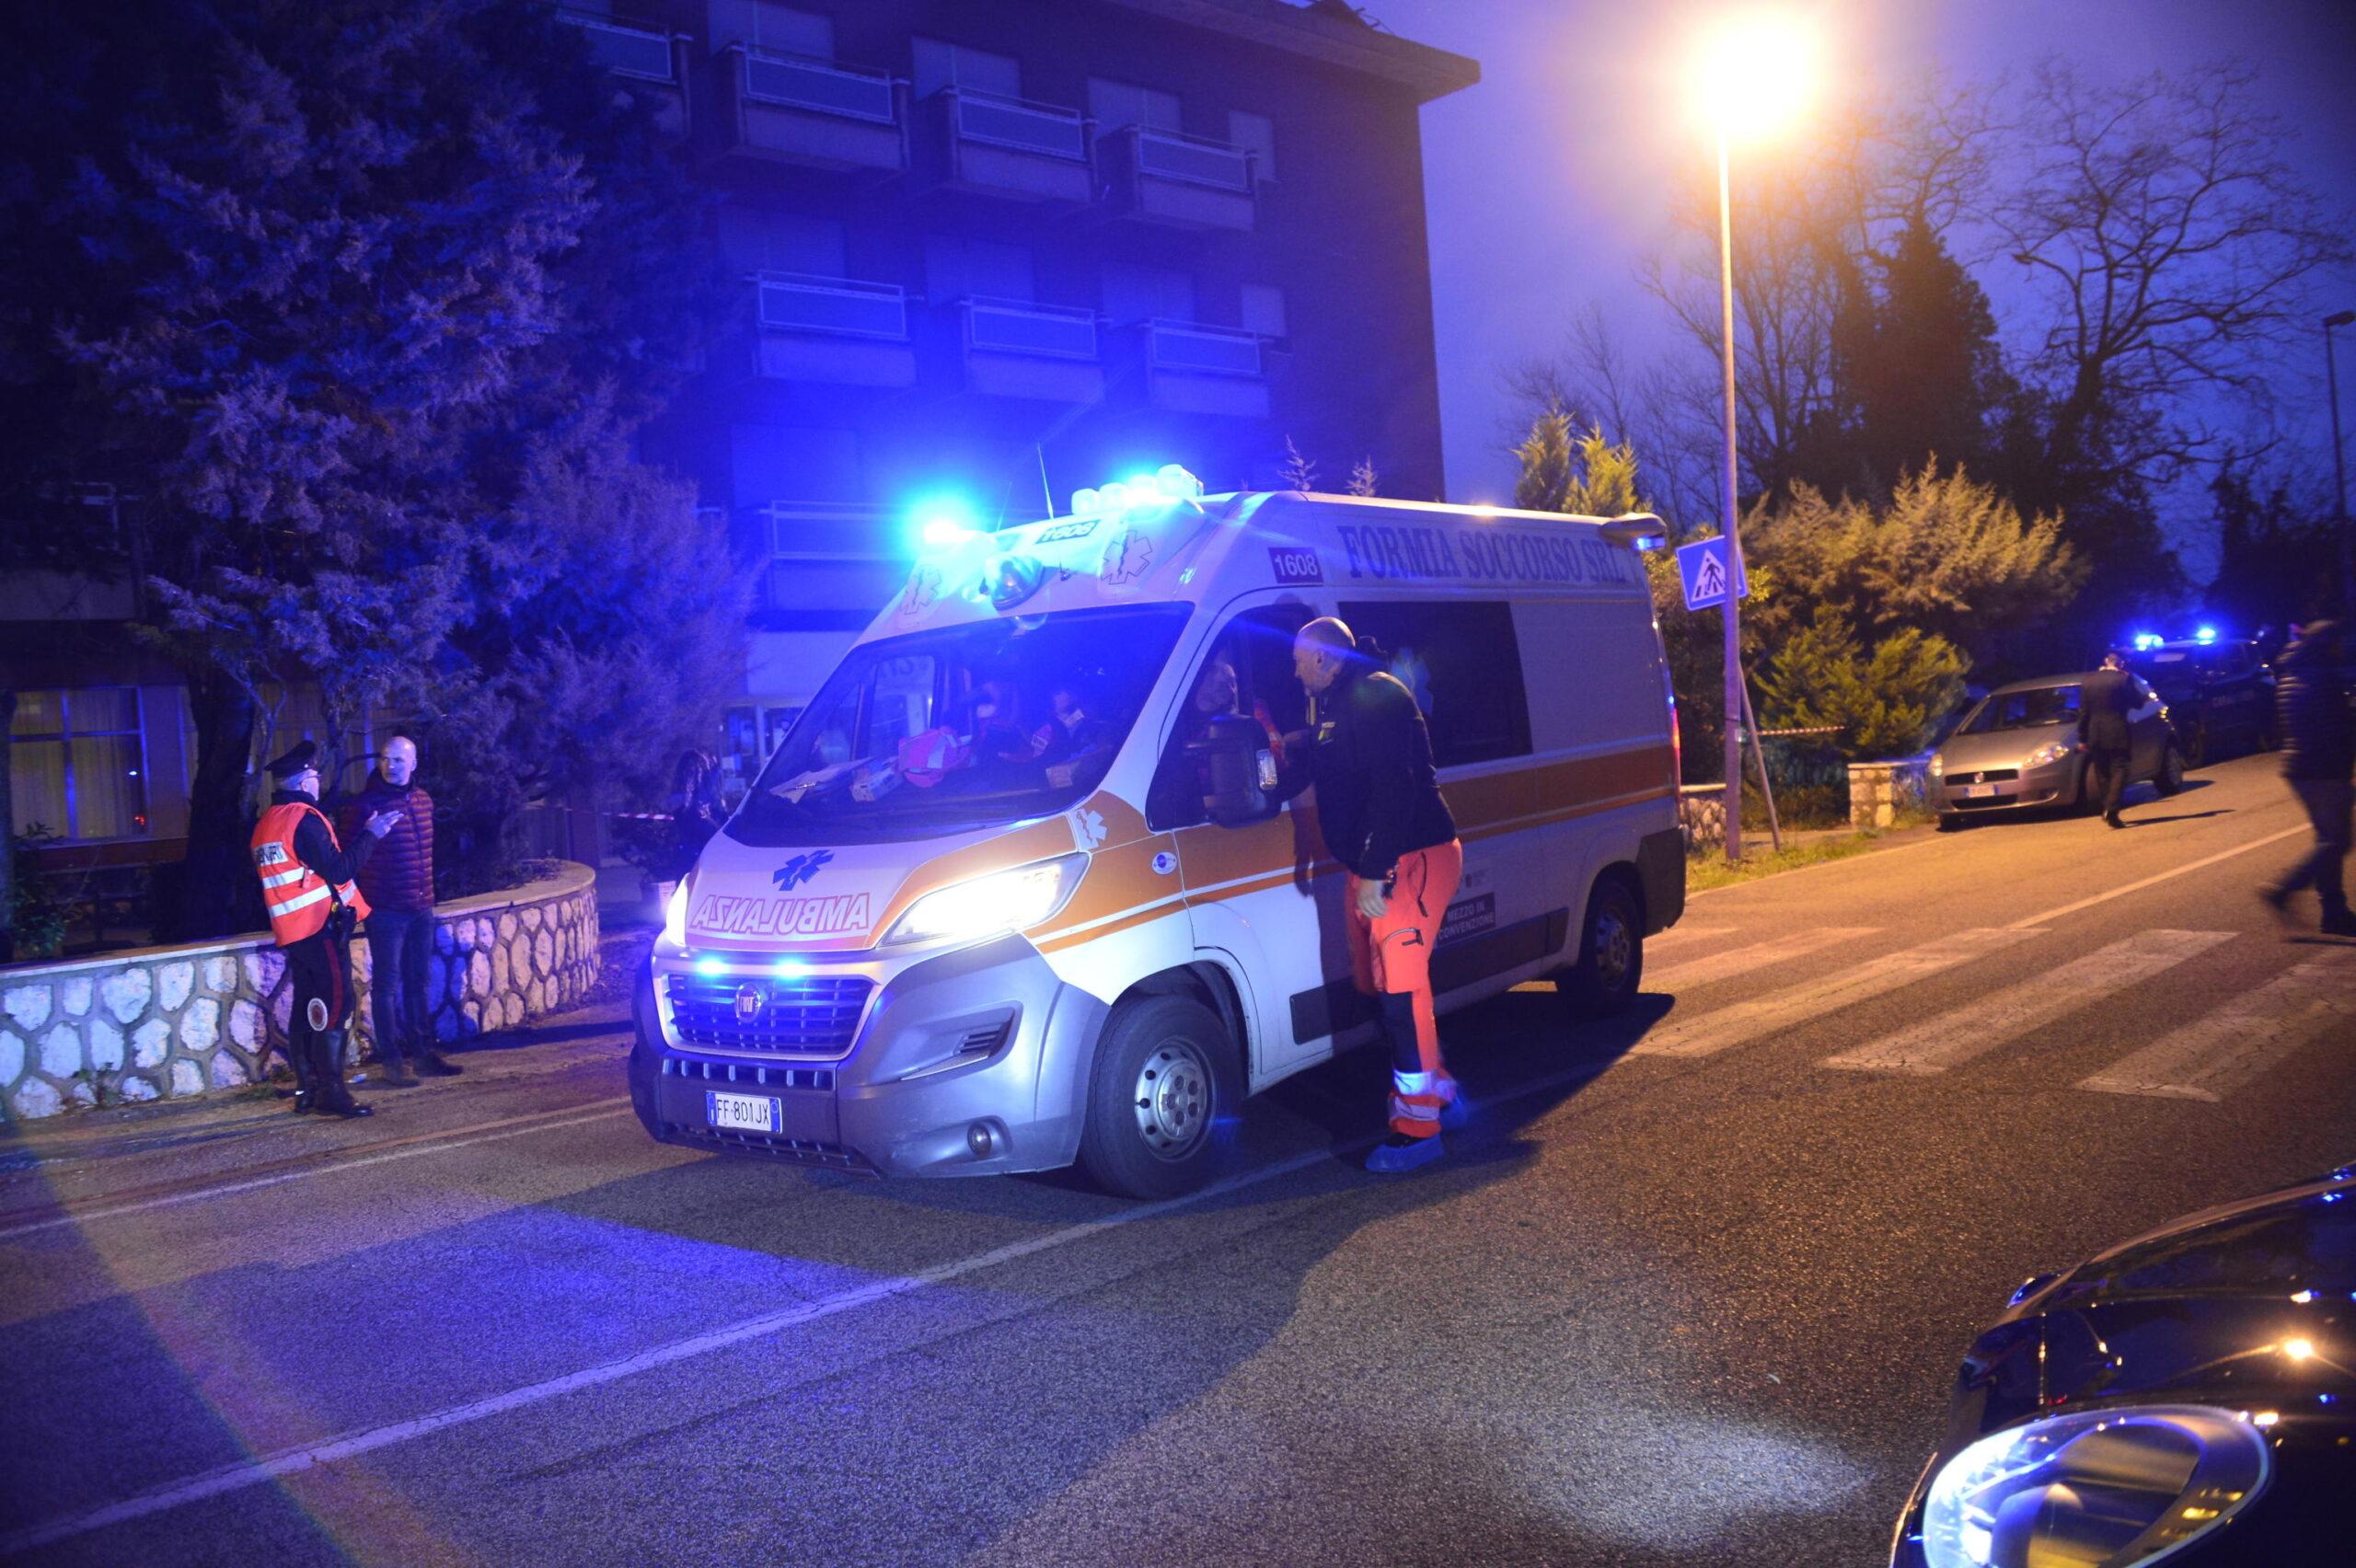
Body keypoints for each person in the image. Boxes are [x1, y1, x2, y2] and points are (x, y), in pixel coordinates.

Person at [1276, 617, 1463, 1173]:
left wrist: (1379, 871)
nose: (1293, 667)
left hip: (1411, 857)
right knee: (1371, 985)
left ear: (1328, 660)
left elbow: (1394, 786)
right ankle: (1437, 1085)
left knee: (1399, 991)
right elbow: (1325, 763)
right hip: (1371, 863)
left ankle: (1418, 1127)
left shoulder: (1378, 695)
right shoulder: (1332, 701)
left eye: (1300, 658)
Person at [250, 742, 400, 1118]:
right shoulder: (304, 817)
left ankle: (306, 1090)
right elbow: (337, 870)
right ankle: (331, 1091)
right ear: (304, 780)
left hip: (293, 931)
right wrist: (372, 834)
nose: (318, 783)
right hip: (319, 928)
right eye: (315, 776)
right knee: (337, 1002)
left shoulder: (267, 823)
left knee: (306, 1007)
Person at [338, 735, 461, 1086]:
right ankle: (392, 1061)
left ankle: (423, 1054)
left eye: (398, 760)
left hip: (421, 907)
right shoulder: (364, 807)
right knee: (388, 986)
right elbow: (347, 857)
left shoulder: (422, 801)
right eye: (385, 759)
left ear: (414, 763)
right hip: (386, 911)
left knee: (418, 982)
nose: (390, 766)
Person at [2258, 620, 2354, 937]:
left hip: (2298, 766)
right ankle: (2283, 890)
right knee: (2336, 841)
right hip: (2322, 767)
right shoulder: (2323, 678)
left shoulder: (2293, 674)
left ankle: (2334, 911)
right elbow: (2337, 727)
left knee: (2328, 839)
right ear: (2326, 645)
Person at [2076, 650, 2142, 828]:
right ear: (2121, 663)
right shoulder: (2123, 679)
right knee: (2120, 769)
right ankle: (2111, 809)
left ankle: (2106, 807)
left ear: (2106, 661)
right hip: (2118, 730)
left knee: (2102, 771)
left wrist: (2082, 737)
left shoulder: (2088, 680)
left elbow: (2084, 712)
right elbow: (2138, 702)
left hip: (2095, 732)